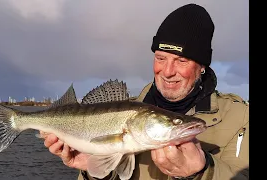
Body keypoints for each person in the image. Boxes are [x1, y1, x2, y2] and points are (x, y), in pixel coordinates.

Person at [40, 3, 249, 180]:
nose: (167, 71)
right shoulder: (129, 107)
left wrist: (202, 172)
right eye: (160, 58)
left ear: (202, 65)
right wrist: (94, 171)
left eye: (181, 60)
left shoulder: (241, 118)